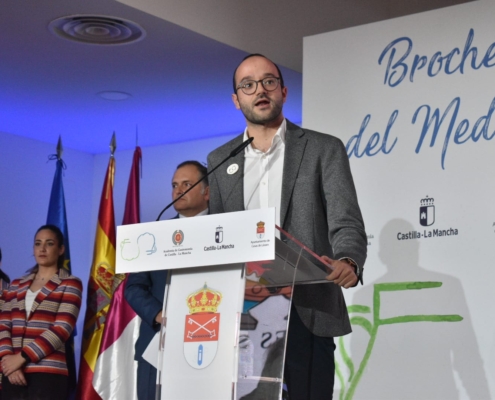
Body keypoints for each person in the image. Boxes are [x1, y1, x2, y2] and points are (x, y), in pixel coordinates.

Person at [207, 54, 367, 399]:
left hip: (306, 305)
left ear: (283, 90)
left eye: (268, 81)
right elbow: (216, 235)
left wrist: (349, 260)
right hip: (245, 310)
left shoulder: (323, 148)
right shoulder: (219, 161)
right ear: (237, 100)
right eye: (248, 85)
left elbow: (346, 219)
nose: (259, 90)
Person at [125, 160, 209, 400]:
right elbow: (134, 287)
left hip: (208, 343)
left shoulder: (226, 229)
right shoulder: (155, 235)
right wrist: (160, 314)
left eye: (186, 184)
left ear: (207, 192)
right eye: (174, 185)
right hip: (159, 343)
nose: (177, 191)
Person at [0, 225, 82, 400]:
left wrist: (21, 358)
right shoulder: (15, 285)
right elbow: (3, 324)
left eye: (49, 243)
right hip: (12, 373)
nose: (42, 249)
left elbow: (62, 328)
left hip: (48, 374)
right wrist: (9, 361)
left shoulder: (70, 283)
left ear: (61, 249)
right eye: (38, 243)